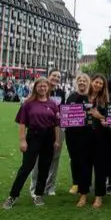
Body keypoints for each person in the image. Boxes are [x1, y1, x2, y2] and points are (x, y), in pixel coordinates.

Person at [2, 78, 61, 210]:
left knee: (44, 167)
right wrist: (22, 140)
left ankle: (38, 194)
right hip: (33, 136)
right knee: (26, 167)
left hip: (49, 137)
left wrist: (57, 140)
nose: (42, 88)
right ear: (35, 87)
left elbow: (56, 125)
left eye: (45, 86)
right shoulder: (28, 103)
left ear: (48, 88)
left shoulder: (53, 104)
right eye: (40, 86)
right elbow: (22, 123)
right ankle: (12, 196)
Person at [29, 69, 66, 198]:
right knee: (38, 159)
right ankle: (34, 186)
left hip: (58, 128)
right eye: (54, 75)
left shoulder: (61, 92)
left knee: (55, 158)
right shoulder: (41, 89)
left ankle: (50, 186)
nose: (56, 78)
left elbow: (64, 109)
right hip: (42, 129)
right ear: (49, 76)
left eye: (58, 76)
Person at [76, 74, 109, 208]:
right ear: (92, 82)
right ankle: (83, 195)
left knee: (100, 168)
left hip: (100, 138)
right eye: (96, 82)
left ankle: (98, 196)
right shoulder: (81, 97)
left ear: (103, 86)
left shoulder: (105, 101)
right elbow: (73, 114)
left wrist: (99, 115)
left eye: (101, 83)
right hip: (84, 136)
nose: (98, 85)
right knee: (84, 166)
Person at [64, 74, 91, 195]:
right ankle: (76, 183)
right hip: (72, 133)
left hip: (87, 134)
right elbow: (65, 113)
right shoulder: (71, 97)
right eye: (80, 80)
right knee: (74, 158)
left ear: (88, 83)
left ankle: (86, 183)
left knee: (86, 159)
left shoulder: (91, 97)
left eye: (84, 81)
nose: (82, 82)